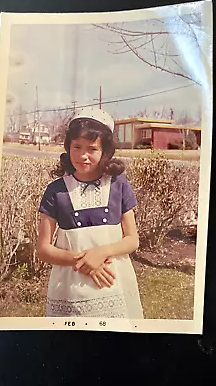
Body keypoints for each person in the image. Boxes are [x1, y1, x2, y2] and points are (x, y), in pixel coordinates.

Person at [36, 107, 144, 318]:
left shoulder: (118, 185)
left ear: (105, 151)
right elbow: (43, 249)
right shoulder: (56, 191)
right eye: (77, 146)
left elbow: (132, 240)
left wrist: (100, 253)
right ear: (68, 146)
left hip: (115, 283)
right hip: (71, 288)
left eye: (92, 149)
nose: (83, 155)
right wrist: (86, 263)